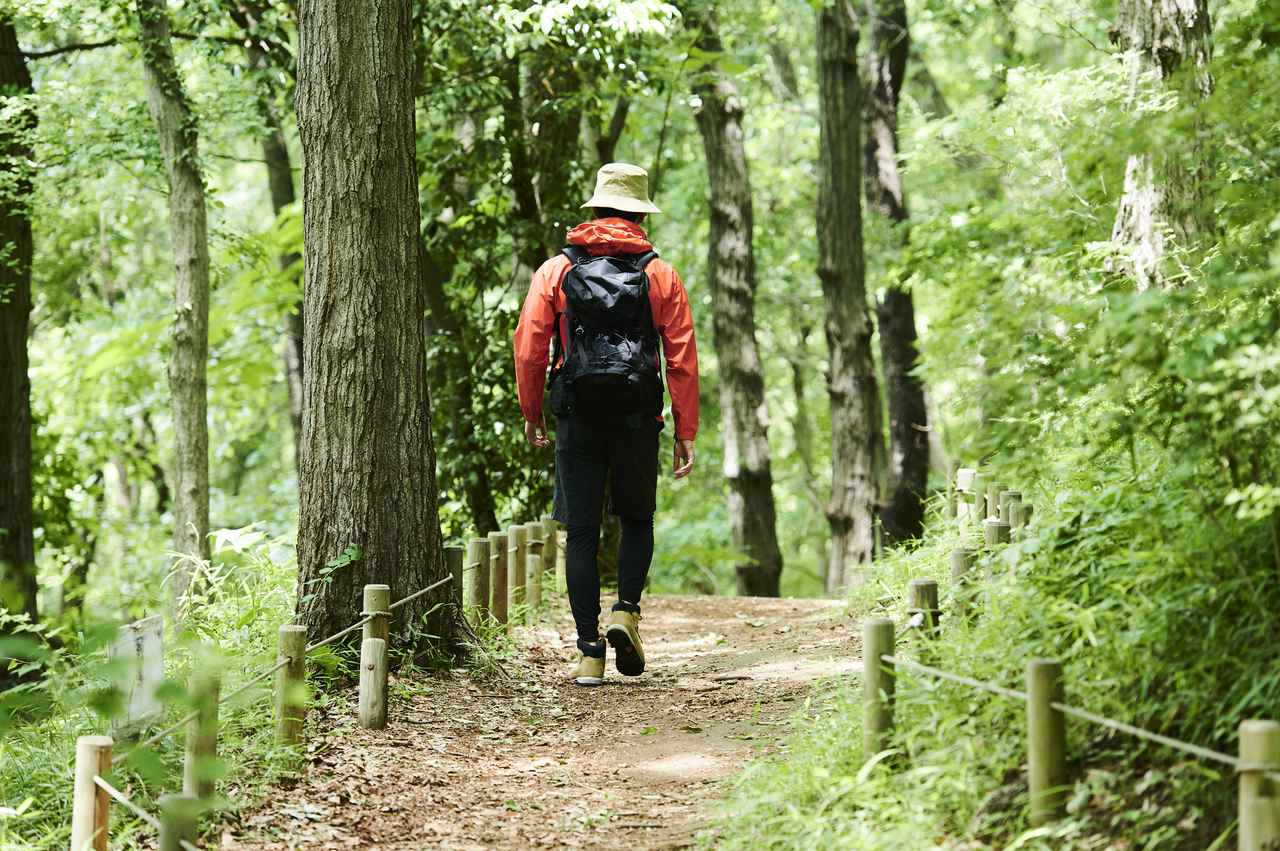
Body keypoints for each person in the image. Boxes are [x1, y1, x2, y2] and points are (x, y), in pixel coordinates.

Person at [513, 162, 699, 686]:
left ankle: (589, 652)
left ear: (594, 209)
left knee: (581, 531)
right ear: (641, 215)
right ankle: (626, 611)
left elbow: (529, 349)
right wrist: (685, 429)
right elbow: (681, 358)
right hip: (637, 414)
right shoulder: (660, 275)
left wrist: (532, 412)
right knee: (637, 519)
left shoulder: (556, 271)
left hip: (577, 413)